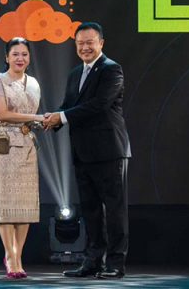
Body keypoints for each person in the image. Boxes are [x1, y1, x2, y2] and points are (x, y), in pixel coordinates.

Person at [43, 22, 131, 279]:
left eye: (90, 42)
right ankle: (92, 262)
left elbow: (99, 105)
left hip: (109, 151)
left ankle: (115, 264)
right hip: (82, 152)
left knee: (114, 210)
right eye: (80, 43)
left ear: (101, 43)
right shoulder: (75, 74)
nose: (84, 47)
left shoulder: (111, 69)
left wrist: (61, 117)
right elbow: (69, 105)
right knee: (90, 210)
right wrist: (50, 120)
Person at [0, 37, 44, 280]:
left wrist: (42, 122)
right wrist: (38, 118)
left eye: (24, 54)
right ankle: (11, 257)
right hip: (4, 145)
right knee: (7, 203)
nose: (20, 58)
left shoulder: (34, 83)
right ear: (6, 57)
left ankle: (18, 256)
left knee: (25, 205)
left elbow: (31, 118)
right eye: (15, 54)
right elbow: (2, 113)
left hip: (27, 144)